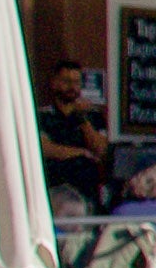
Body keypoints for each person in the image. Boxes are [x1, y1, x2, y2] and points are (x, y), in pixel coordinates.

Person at [36, 64, 108, 214]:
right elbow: (45, 149)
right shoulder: (43, 116)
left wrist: (82, 118)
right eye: (66, 81)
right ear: (54, 83)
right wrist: (81, 152)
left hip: (87, 190)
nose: (72, 87)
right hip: (55, 187)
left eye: (76, 82)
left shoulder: (93, 116)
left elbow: (101, 150)